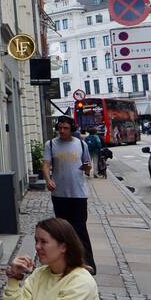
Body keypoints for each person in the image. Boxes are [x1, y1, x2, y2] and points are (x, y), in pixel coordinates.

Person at [41, 116, 96, 273]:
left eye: (65, 128)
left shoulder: (81, 144)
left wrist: (86, 167)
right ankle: (65, 262)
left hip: (78, 194)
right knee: (62, 232)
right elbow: (46, 165)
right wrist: (48, 179)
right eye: (60, 128)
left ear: (72, 129)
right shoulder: (51, 144)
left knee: (80, 230)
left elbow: (88, 167)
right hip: (59, 194)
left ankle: (86, 263)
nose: (62, 131)